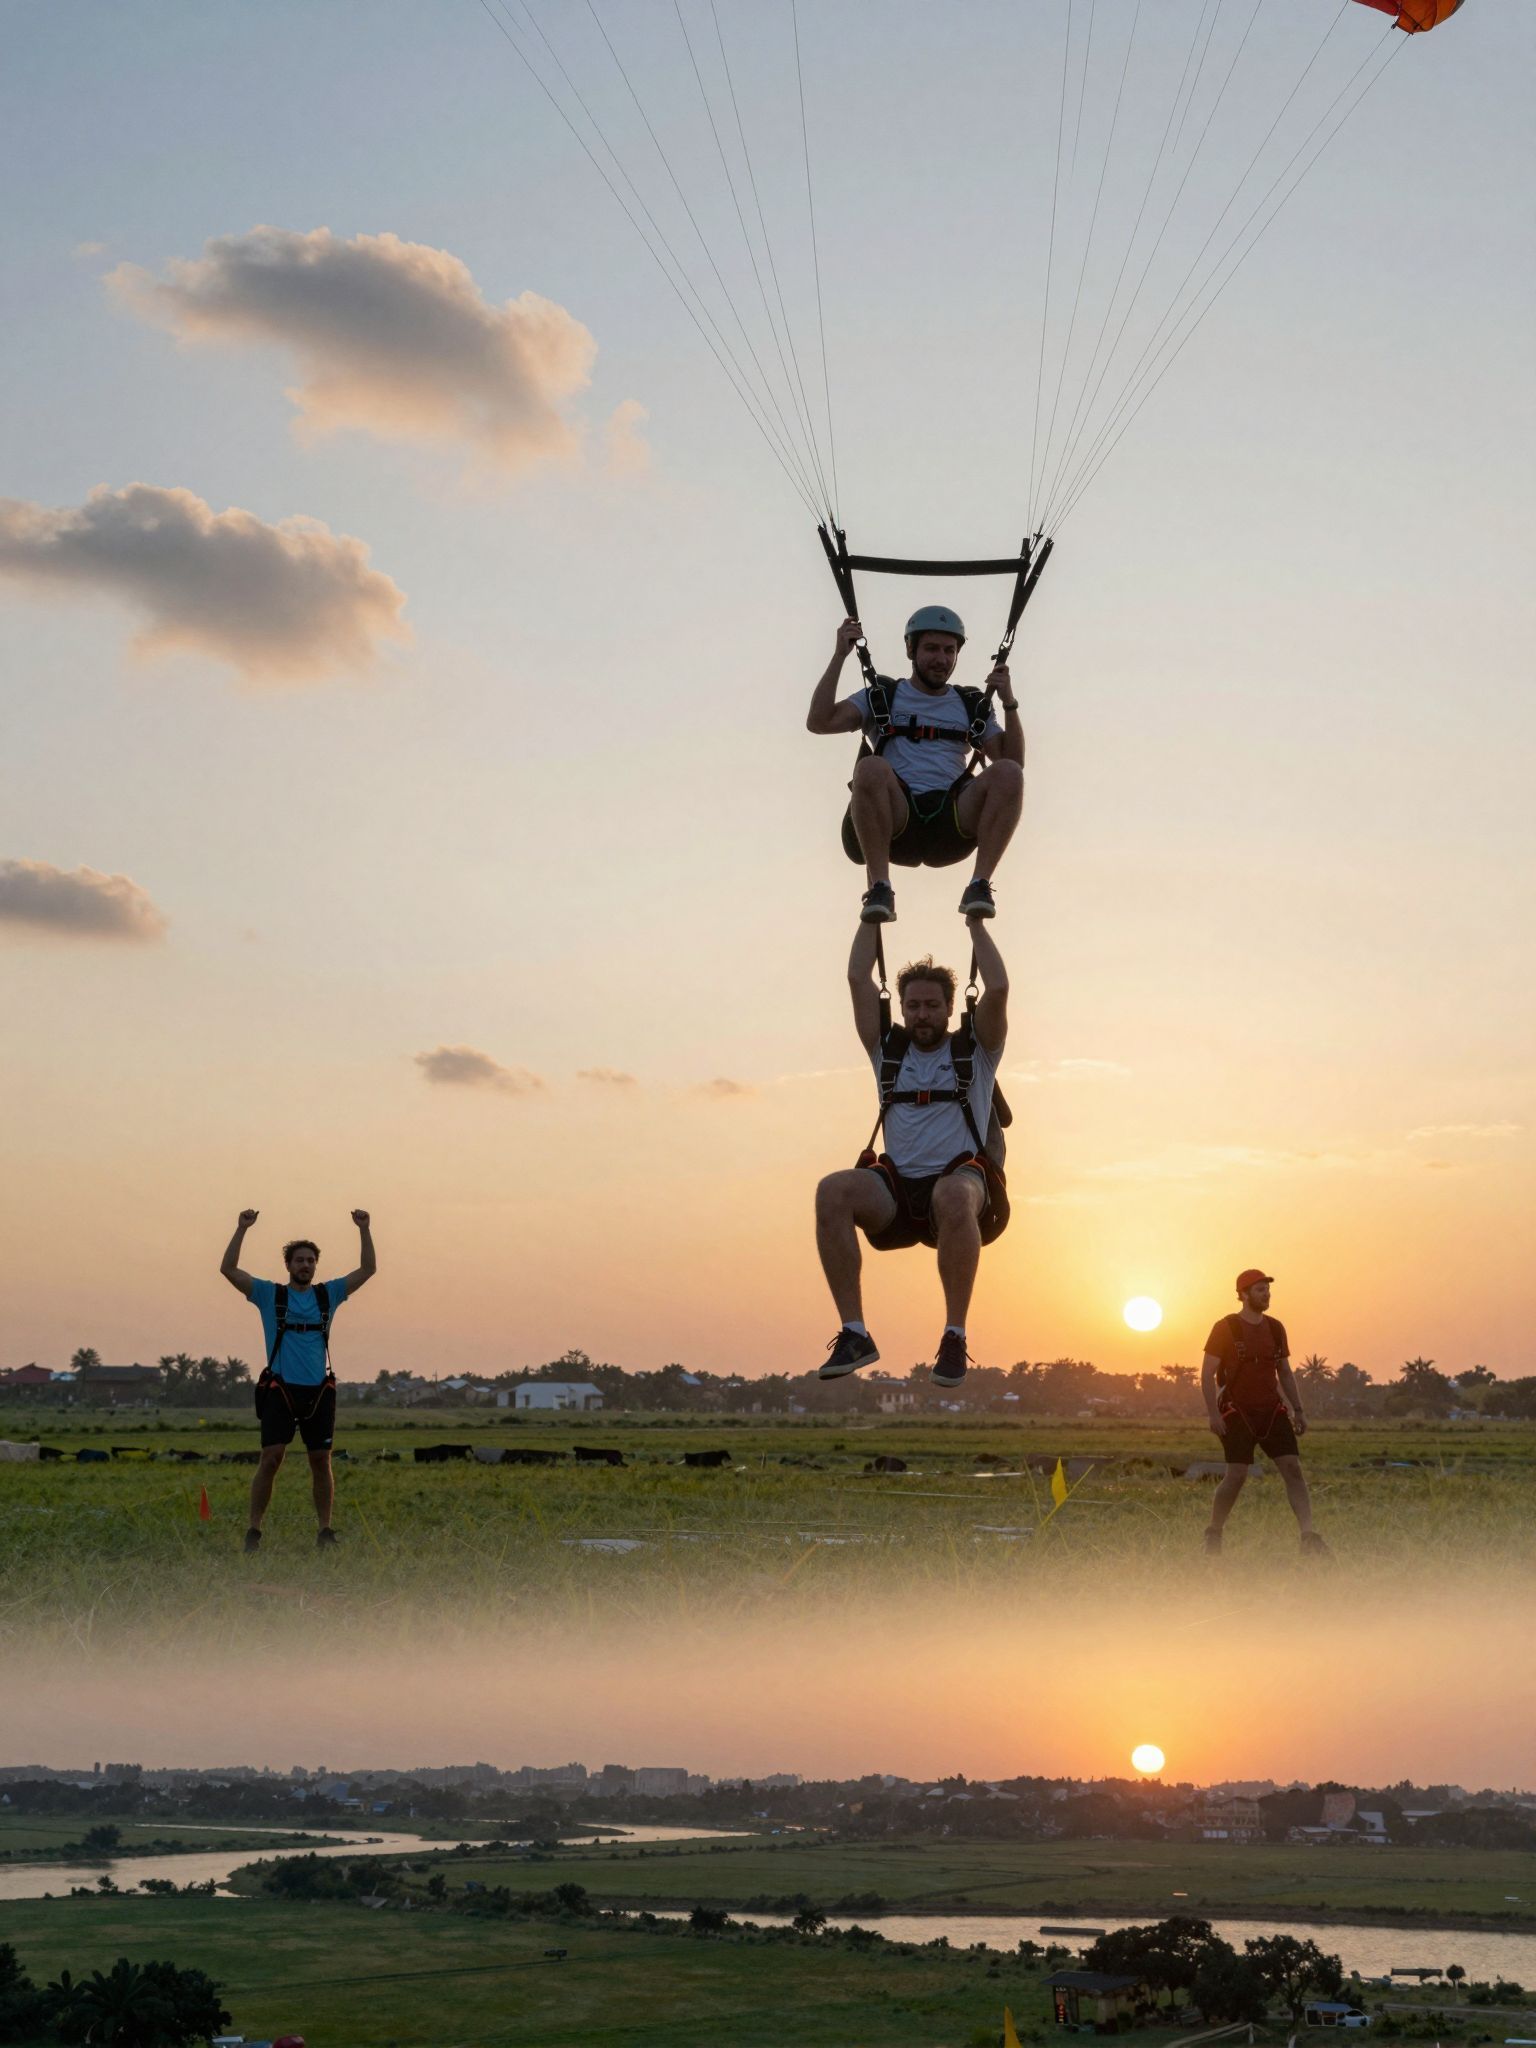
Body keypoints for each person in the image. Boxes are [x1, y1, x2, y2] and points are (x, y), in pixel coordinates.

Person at [814, 917, 1009, 1390]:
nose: (922, 1014)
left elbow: (999, 987)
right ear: (900, 1008)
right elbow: (858, 979)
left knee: (953, 1194)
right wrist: (868, 917)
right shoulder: (888, 1050)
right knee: (832, 1190)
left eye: (932, 1006)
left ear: (948, 1008)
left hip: (964, 1187)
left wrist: (975, 925)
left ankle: (954, 1336)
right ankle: (855, 1333)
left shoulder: (976, 1050)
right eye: (913, 1006)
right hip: (898, 1193)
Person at [806, 608, 1026, 926]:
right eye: (932, 649)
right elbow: (820, 721)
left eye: (949, 651)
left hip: (951, 821)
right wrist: (840, 656)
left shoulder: (969, 704)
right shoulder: (883, 696)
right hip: (897, 821)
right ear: (911, 650)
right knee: (870, 767)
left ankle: (980, 885)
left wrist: (1008, 702)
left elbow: (1012, 762)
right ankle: (880, 888)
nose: (941, 659)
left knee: (1008, 774)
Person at [219, 1207, 376, 1552]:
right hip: (280, 1389)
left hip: (318, 1392)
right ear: (288, 1266)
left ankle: (325, 1530)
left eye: (310, 1260)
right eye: (299, 1260)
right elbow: (228, 1269)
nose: (305, 1265)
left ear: (315, 1266)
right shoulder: (268, 1295)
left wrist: (364, 1229)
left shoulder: (328, 1295)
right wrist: (241, 1229)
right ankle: (254, 1531)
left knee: (321, 1460)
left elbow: (368, 1270)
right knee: (271, 1458)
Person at [1200, 1270, 1328, 1557]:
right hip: (1236, 1411)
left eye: (1267, 1290)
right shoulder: (1226, 1328)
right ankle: (1214, 1533)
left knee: (1293, 1469)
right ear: (1243, 1294)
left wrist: (1298, 1410)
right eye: (1259, 1290)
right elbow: (1206, 1375)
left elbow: (1284, 1371)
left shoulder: (1275, 1328)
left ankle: (1308, 1537)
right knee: (1237, 1475)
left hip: (1272, 1410)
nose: (1266, 1295)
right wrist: (1213, 1415)